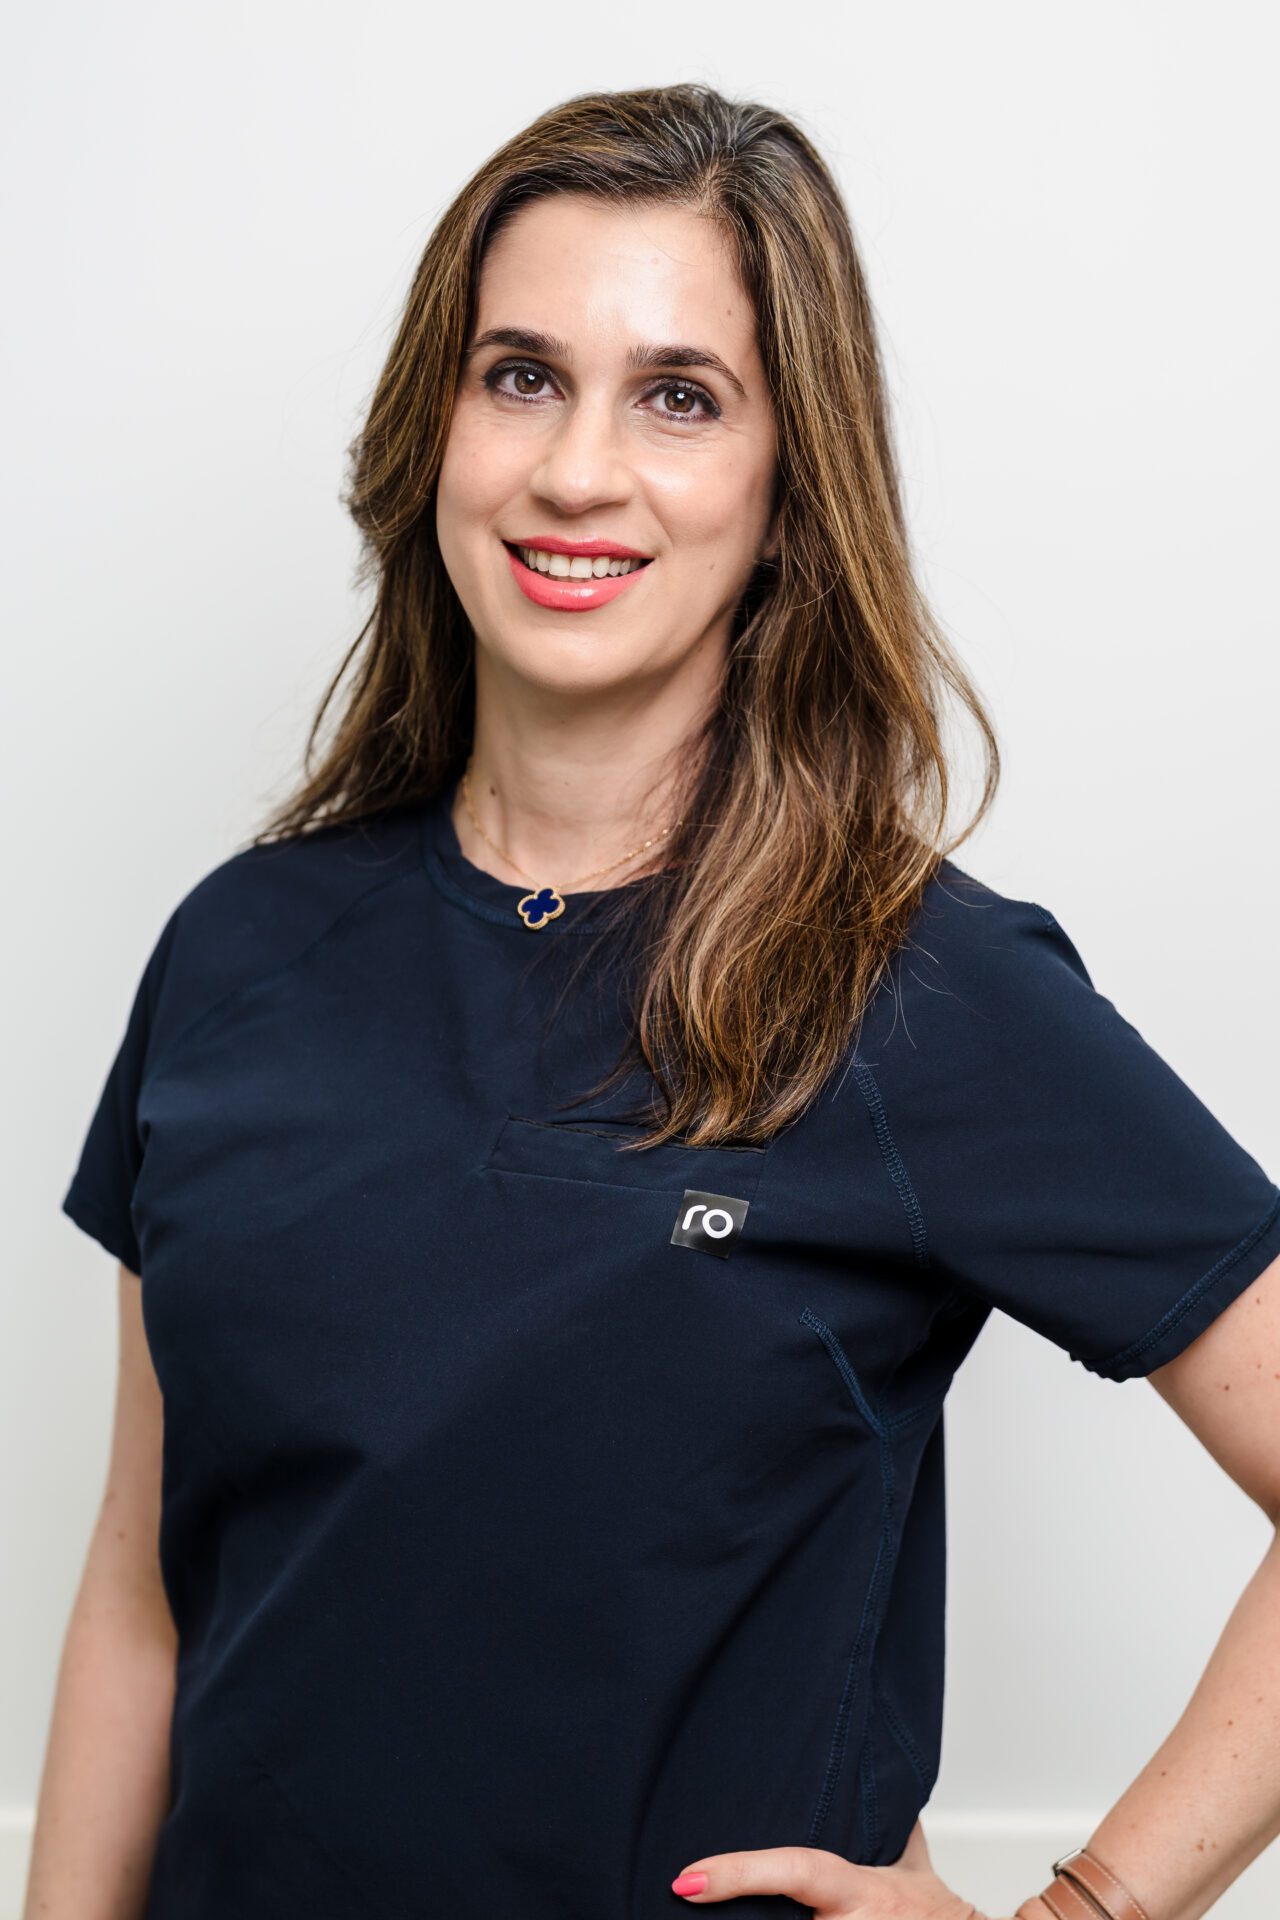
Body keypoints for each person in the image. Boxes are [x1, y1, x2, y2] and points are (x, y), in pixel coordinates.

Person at [31, 81, 1280, 1920]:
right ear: (434, 427)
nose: (576, 471)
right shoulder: (235, 952)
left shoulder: (918, 990)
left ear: (787, 492)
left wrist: (1085, 1911)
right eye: (520, 376)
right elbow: (144, 1592)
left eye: (679, 396)